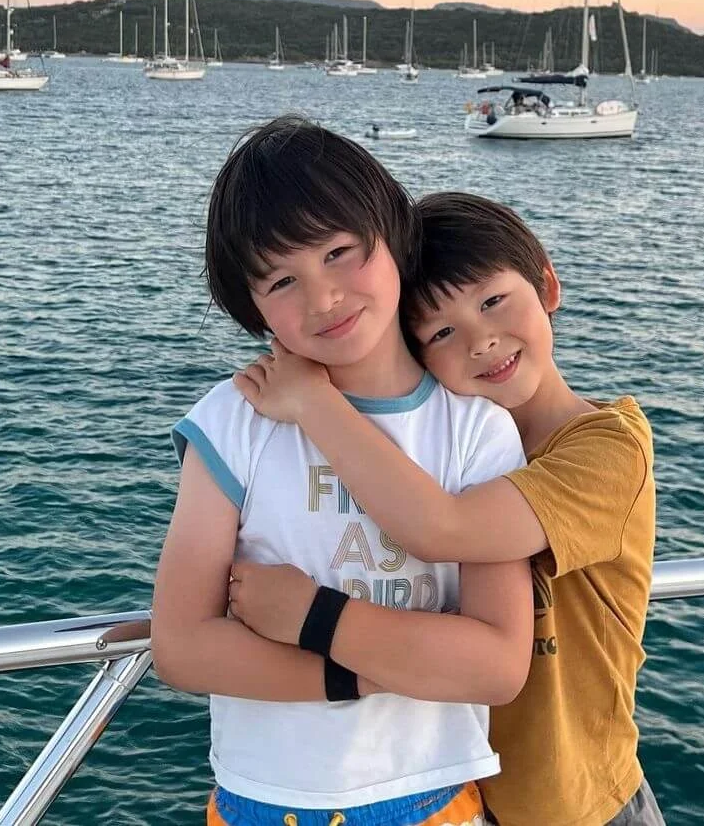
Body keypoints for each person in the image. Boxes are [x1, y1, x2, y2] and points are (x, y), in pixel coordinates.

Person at [232, 191, 664, 826]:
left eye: (492, 301)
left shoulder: (607, 451)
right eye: (440, 333)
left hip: (580, 806)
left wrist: (311, 403)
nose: (481, 341)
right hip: (455, 798)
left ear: (547, 286)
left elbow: (442, 529)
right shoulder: (448, 456)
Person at [151, 119, 534, 826]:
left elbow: (497, 664)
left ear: (392, 233)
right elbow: (181, 645)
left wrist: (314, 619)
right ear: (250, 305)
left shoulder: (475, 430)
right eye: (281, 280)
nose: (322, 297)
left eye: (337, 252)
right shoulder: (234, 420)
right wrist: (361, 671)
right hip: (261, 804)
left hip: (432, 800)